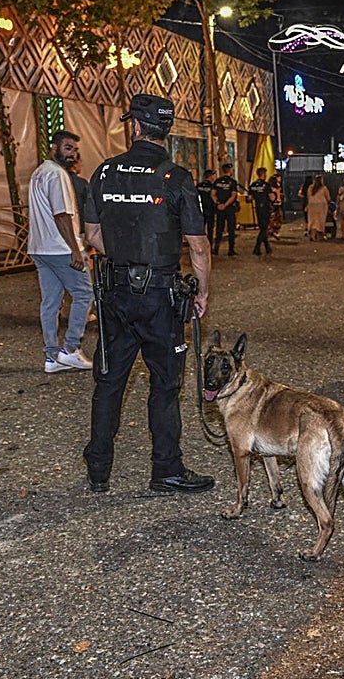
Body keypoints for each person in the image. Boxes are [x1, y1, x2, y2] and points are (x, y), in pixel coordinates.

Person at [81, 93, 214, 495]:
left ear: (135, 126)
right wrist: (203, 293)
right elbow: (198, 247)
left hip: (117, 294)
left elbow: (91, 236)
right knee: (165, 384)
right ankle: (166, 471)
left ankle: (99, 469)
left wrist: (125, 253)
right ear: (165, 129)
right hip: (160, 296)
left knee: (109, 383)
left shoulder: (103, 174)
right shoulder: (176, 177)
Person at [27, 130, 93, 374]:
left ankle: (52, 356)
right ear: (53, 148)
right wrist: (75, 250)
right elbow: (62, 215)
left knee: (51, 302)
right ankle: (71, 349)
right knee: (85, 293)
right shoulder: (57, 175)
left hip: (39, 247)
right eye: (67, 148)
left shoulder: (39, 173)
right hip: (60, 248)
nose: (73, 153)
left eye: (75, 149)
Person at [210, 162, 240, 256]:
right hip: (230, 209)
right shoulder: (233, 182)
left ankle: (216, 249)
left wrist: (218, 204)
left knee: (219, 229)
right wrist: (226, 205)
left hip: (220, 209)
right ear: (230, 170)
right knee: (231, 229)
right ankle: (231, 249)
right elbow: (233, 196)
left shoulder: (217, 181)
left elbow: (213, 194)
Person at [247, 166, 275, 256]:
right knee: (264, 228)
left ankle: (267, 248)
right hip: (266, 208)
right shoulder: (266, 185)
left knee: (262, 227)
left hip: (258, 208)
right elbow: (272, 197)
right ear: (264, 174)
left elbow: (249, 198)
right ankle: (257, 247)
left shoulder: (253, 185)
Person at [306, 175, 330, 241]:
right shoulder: (324, 188)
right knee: (320, 221)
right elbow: (328, 198)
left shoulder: (310, 188)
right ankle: (321, 235)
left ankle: (312, 235)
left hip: (312, 205)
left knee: (313, 221)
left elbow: (308, 196)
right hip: (321, 205)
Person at [197, 168, 217, 247]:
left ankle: (200, 245)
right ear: (211, 176)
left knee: (200, 229)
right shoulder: (212, 186)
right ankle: (209, 246)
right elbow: (214, 196)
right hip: (210, 209)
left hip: (200, 209)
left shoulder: (199, 185)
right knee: (210, 229)